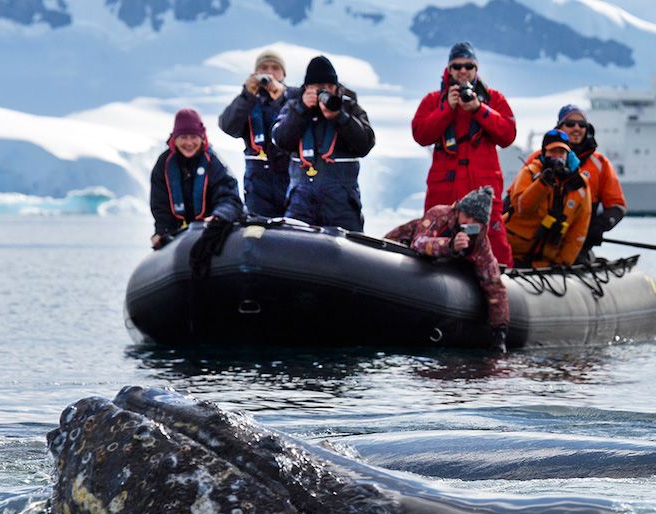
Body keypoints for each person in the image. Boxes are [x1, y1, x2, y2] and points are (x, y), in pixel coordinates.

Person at [411, 41, 516, 265]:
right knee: (435, 242)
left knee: (496, 247)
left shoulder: (493, 99)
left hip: (483, 194)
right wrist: (446, 109)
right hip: (444, 195)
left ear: (476, 69)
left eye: (468, 66)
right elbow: (420, 134)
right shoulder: (433, 101)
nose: (463, 71)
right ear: (449, 70)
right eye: (457, 66)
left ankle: (504, 291)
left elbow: (508, 135)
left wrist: (480, 110)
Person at [383, 186, 510, 352]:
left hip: (442, 268)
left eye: (476, 221)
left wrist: (499, 332)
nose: (469, 223)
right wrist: (450, 246)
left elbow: (493, 284)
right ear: (458, 211)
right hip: (399, 252)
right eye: (467, 216)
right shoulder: (439, 215)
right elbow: (419, 242)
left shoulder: (479, 242)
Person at [271, 55, 375, 231]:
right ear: (307, 88)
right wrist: (301, 110)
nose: (325, 92)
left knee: (347, 255)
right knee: (292, 253)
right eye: (319, 87)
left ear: (337, 87)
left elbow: (365, 144)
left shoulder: (349, 107)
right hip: (300, 202)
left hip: (342, 205)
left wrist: (340, 117)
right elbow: (281, 141)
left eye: (329, 87)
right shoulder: (293, 106)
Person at [529, 104, 627, 255]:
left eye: (582, 124)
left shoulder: (600, 164)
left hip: (577, 246)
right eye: (570, 124)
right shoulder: (538, 159)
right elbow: (517, 200)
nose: (577, 128)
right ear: (559, 127)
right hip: (535, 240)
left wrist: (597, 228)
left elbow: (617, 206)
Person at [149, 108, 242, 248]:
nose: (189, 143)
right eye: (183, 137)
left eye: (194, 137)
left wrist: (219, 216)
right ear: (174, 138)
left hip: (211, 233)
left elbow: (229, 197)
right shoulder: (164, 164)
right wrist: (163, 231)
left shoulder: (214, 163)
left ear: (202, 137)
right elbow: (160, 205)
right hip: (177, 235)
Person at [217, 48, 291, 218]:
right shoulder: (249, 101)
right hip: (257, 183)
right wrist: (247, 95)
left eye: (275, 68)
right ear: (255, 72)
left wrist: (281, 98)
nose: (270, 73)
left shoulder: (293, 99)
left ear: (283, 74)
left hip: (289, 179)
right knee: (259, 234)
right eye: (264, 68)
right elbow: (228, 126)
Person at [503, 129, 592, 268]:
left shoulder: (579, 185)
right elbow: (522, 208)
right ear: (544, 153)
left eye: (561, 152)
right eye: (552, 152)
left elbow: (578, 230)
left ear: (568, 156)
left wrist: (563, 263)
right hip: (511, 252)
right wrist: (543, 184)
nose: (557, 157)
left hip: (544, 260)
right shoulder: (529, 173)